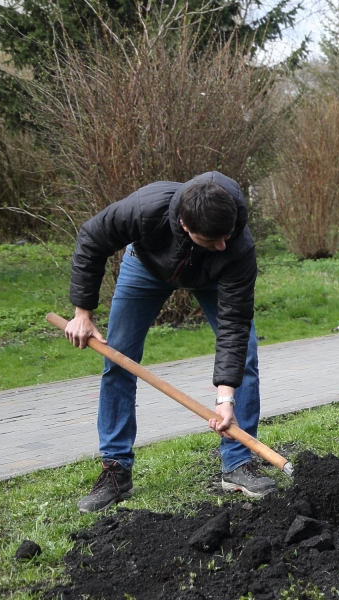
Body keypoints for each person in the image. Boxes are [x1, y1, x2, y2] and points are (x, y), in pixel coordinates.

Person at [65, 171, 276, 513]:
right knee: (119, 359)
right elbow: (92, 238)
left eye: (227, 236)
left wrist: (225, 399)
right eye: (213, 239)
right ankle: (116, 468)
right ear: (184, 224)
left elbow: (234, 325)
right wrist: (83, 313)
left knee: (245, 354)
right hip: (146, 267)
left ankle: (238, 463)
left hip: (213, 277)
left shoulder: (235, 246)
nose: (223, 244)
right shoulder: (145, 209)